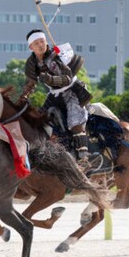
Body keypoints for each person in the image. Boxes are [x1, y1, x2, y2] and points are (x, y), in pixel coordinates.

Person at [20, 29, 93, 161]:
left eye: (42, 41)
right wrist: (25, 95)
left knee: (75, 121)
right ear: (31, 47)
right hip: (54, 94)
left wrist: (50, 80)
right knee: (40, 119)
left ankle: (84, 157)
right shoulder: (32, 63)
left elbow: (68, 78)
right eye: (36, 43)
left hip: (72, 90)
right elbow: (31, 82)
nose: (40, 45)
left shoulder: (56, 56)